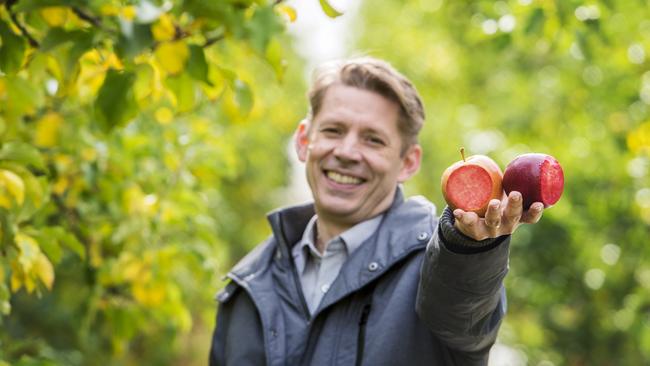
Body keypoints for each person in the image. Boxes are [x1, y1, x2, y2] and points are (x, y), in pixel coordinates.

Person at [209, 57, 544, 366]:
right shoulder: (247, 288)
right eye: (333, 130)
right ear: (303, 140)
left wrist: (470, 248)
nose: (347, 152)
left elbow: (465, 312)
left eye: (373, 140)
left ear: (408, 162)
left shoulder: (436, 269)